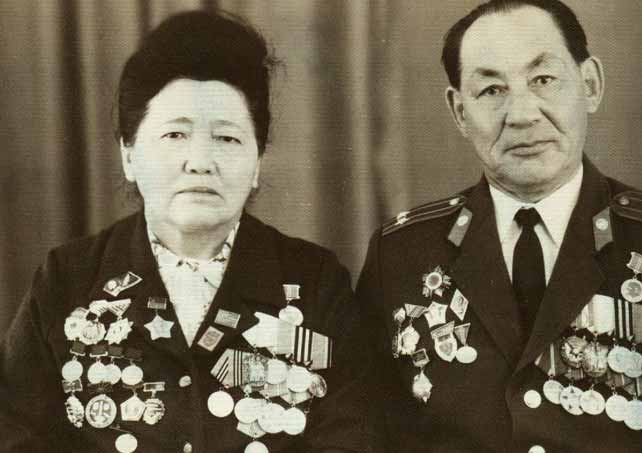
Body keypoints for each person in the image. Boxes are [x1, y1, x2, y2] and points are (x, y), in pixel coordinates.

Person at [0, 10, 367, 453]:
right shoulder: (67, 280)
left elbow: (351, 439)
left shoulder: (316, 282)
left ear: (257, 163)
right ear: (129, 155)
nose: (200, 162)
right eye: (175, 135)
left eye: (227, 138)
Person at [357, 1, 642, 452]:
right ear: (459, 112)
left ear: (590, 85)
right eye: (491, 90)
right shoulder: (401, 253)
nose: (522, 114)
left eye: (543, 80)